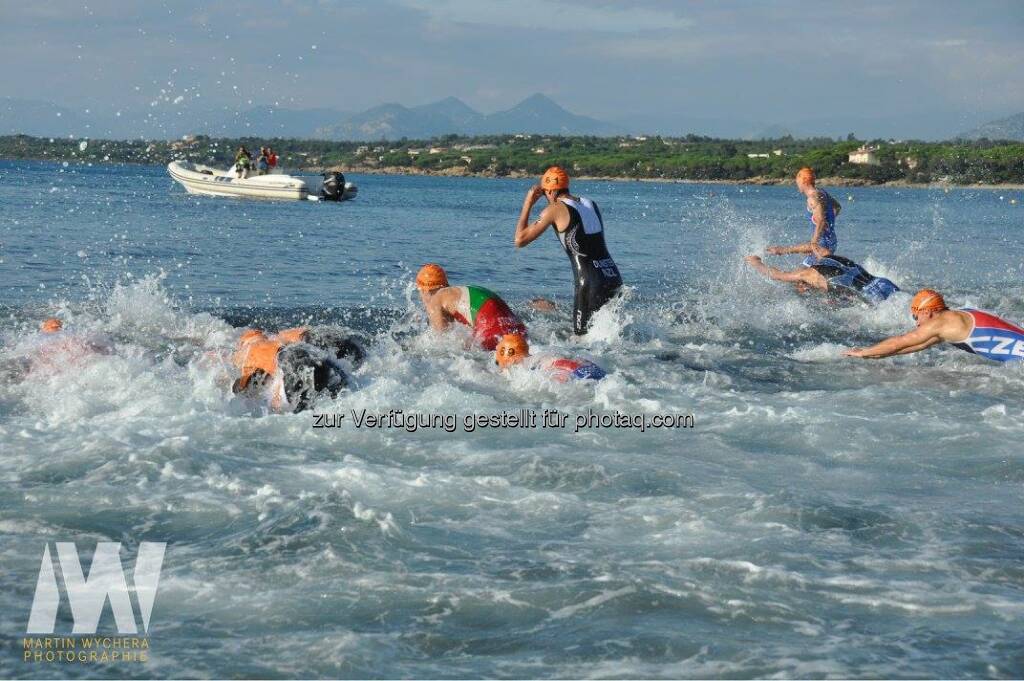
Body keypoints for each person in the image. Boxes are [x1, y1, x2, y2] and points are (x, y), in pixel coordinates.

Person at [514, 166, 622, 335]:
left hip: (589, 282)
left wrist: (528, 202)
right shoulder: (591, 204)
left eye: (544, 193)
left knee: (582, 339)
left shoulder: (555, 208)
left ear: (549, 191)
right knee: (608, 336)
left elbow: (520, 240)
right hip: (613, 276)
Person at [844, 289, 1024, 361]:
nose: (917, 323)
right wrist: (876, 355)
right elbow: (918, 345)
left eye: (916, 318)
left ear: (926, 312)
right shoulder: (957, 317)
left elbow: (901, 341)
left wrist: (864, 352)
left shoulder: (941, 322)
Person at [232, 326, 365, 412]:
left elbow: (242, 389)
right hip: (317, 349)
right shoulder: (283, 335)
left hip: (295, 360)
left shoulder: (246, 355)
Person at [415, 263, 527, 351]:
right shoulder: (456, 293)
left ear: (424, 290)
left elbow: (441, 342)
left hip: (492, 331)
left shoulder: (436, 299)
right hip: (517, 327)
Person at [744, 253, 899, 305]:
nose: (804, 290)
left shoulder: (806, 275)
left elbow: (777, 275)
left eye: (802, 288)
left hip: (868, 298)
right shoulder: (830, 258)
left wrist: (756, 263)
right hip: (884, 284)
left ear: (802, 283)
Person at [767, 167, 842, 266]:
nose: (797, 185)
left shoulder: (812, 198)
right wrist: (829, 220)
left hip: (822, 244)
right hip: (832, 241)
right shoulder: (822, 192)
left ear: (804, 182)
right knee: (808, 277)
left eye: (797, 182)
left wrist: (813, 243)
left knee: (802, 277)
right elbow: (837, 207)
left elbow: (821, 221)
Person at [494, 333, 605, 382]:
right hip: (589, 367)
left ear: (511, 360)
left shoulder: (524, 366)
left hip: (569, 369)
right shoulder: (538, 355)